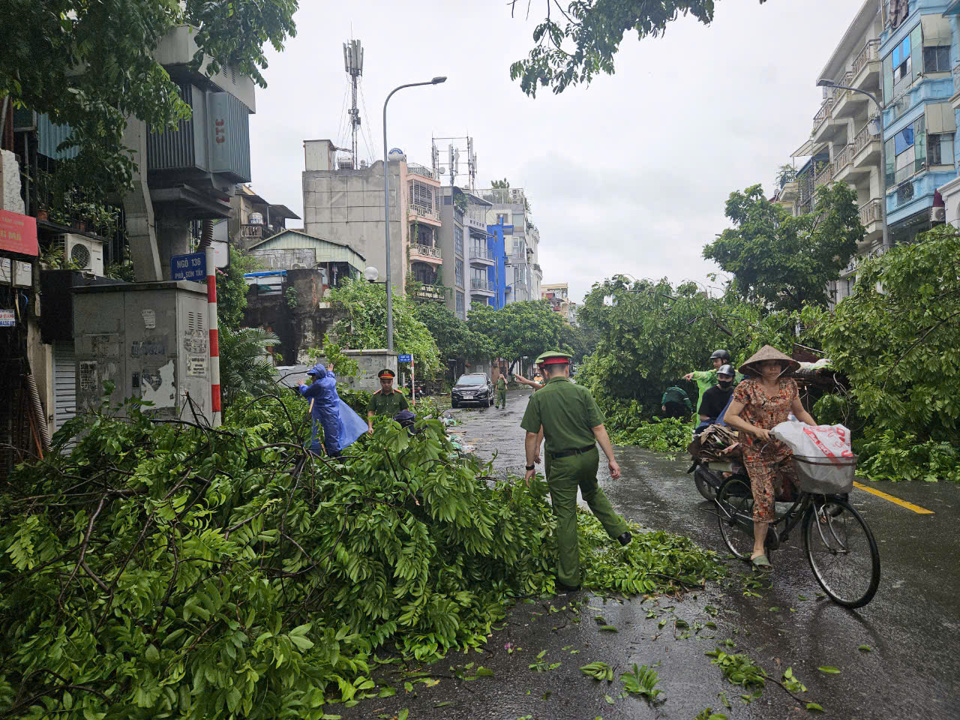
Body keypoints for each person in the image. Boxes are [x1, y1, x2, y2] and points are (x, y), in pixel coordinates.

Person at [520, 351, 632, 592]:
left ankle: (569, 578)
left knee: (566, 516)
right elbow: (599, 428)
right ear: (567, 370)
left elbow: (531, 434)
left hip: (562, 463)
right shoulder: (582, 392)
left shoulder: (540, 397)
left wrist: (530, 466)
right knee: (592, 492)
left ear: (544, 372)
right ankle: (619, 531)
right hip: (589, 456)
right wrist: (612, 460)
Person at [724, 346, 817, 570]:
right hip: (756, 449)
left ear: (783, 365)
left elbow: (801, 413)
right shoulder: (747, 387)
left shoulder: (789, 385)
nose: (773, 368)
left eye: (776, 363)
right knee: (765, 497)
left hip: (783, 445)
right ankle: (758, 549)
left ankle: (815, 514)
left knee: (809, 477)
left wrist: (819, 432)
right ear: (759, 367)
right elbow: (730, 417)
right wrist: (754, 431)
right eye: (768, 364)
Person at [298, 364, 344, 457]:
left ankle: (320, 456)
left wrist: (301, 385)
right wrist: (330, 370)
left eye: (313, 376)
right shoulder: (330, 381)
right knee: (333, 435)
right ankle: (336, 456)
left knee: (318, 434)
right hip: (333, 413)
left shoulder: (318, 385)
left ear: (317, 376)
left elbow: (306, 392)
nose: (312, 379)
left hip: (322, 414)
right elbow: (330, 376)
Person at [684, 349, 732, 415]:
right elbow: (705, 375)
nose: (714, 364)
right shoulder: (713, 374)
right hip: (713, 407)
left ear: (724, 361)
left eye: (716, 361)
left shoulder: (734, 374)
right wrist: (694, 374)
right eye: (720, 377)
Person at [695, 364, 736, 434]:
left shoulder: (735, 394)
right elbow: (702, 417)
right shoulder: (709, 394)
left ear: (732, 378)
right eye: (721, 377)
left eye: (727, 377)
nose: (724, 380)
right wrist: (716, 424)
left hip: (730, 426)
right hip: (711, 426)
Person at [367, 368, 410, 434]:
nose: (386, 384)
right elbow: (371, 412)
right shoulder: (376, 396)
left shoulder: (399, 395)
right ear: (380, 382)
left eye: (389, 382)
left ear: (392, 382)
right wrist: (370, 427)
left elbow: (406, 410)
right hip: (380, 428)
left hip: (396, 429)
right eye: (384, 382)